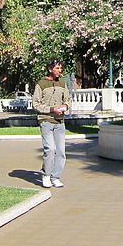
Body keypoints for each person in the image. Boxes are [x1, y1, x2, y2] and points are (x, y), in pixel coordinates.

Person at [32, 57, 70, 188]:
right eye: (57, 68)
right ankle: (46, 175)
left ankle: (56, 177)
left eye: (61, 68)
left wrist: (65, 106)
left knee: (60, 151)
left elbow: (68, 98)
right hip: (46, 120)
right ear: (50, 69)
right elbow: (35, 104)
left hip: (59, 121)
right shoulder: (41, 84)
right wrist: (51, 109)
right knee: (50, 149)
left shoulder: (62, 82)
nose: (60, 70)